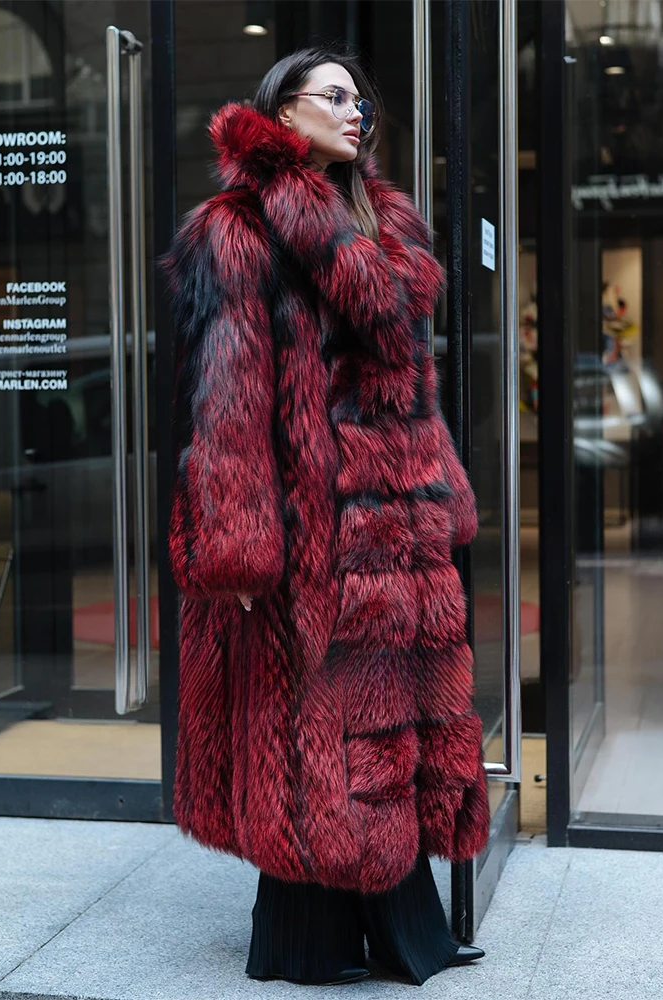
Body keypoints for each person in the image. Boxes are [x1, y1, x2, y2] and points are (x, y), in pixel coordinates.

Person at [162, 45, 488, 987]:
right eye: (336, 97)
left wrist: (442, 493)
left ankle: (397, 928)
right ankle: (306, 941)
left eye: (362, 100)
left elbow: (411, 393)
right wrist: (239, 550)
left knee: (389, 731)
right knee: (313, 730)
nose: (358, 114)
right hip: (314, 529)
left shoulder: (378, 223)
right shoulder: (240, 230)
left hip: (399, 525)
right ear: (285, 108)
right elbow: (224, 407)